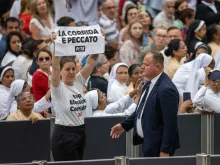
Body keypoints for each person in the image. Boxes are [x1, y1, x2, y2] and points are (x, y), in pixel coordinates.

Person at [110, 50, 180, 157]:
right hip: (149, 143)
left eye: (146, 65)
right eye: (143, 63)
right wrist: (124, 125)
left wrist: (165, 150)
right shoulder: (148, 83)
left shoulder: (166, 89)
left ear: (157, 67)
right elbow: (141, 110)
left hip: (159, 148)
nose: (142, 67)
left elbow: (170, 123)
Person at [50, 37, 98, 160]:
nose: (71, 72)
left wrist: (99, 40)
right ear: (60, 71)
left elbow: (90, 62)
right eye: (67, 69)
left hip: (80, 132)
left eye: (73, 69)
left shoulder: (77, 81)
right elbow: (54, 65)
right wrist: (56, 45)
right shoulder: (57, 87)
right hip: (64, 135)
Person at [31, 49, 51, 116]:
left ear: (51, 60)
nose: (44, 61)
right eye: (41, 59)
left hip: (51, 107)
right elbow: (53, 91)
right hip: (42, 111)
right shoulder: (37, 75)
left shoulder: (51, 71)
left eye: (47, 58)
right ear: (37, 61)